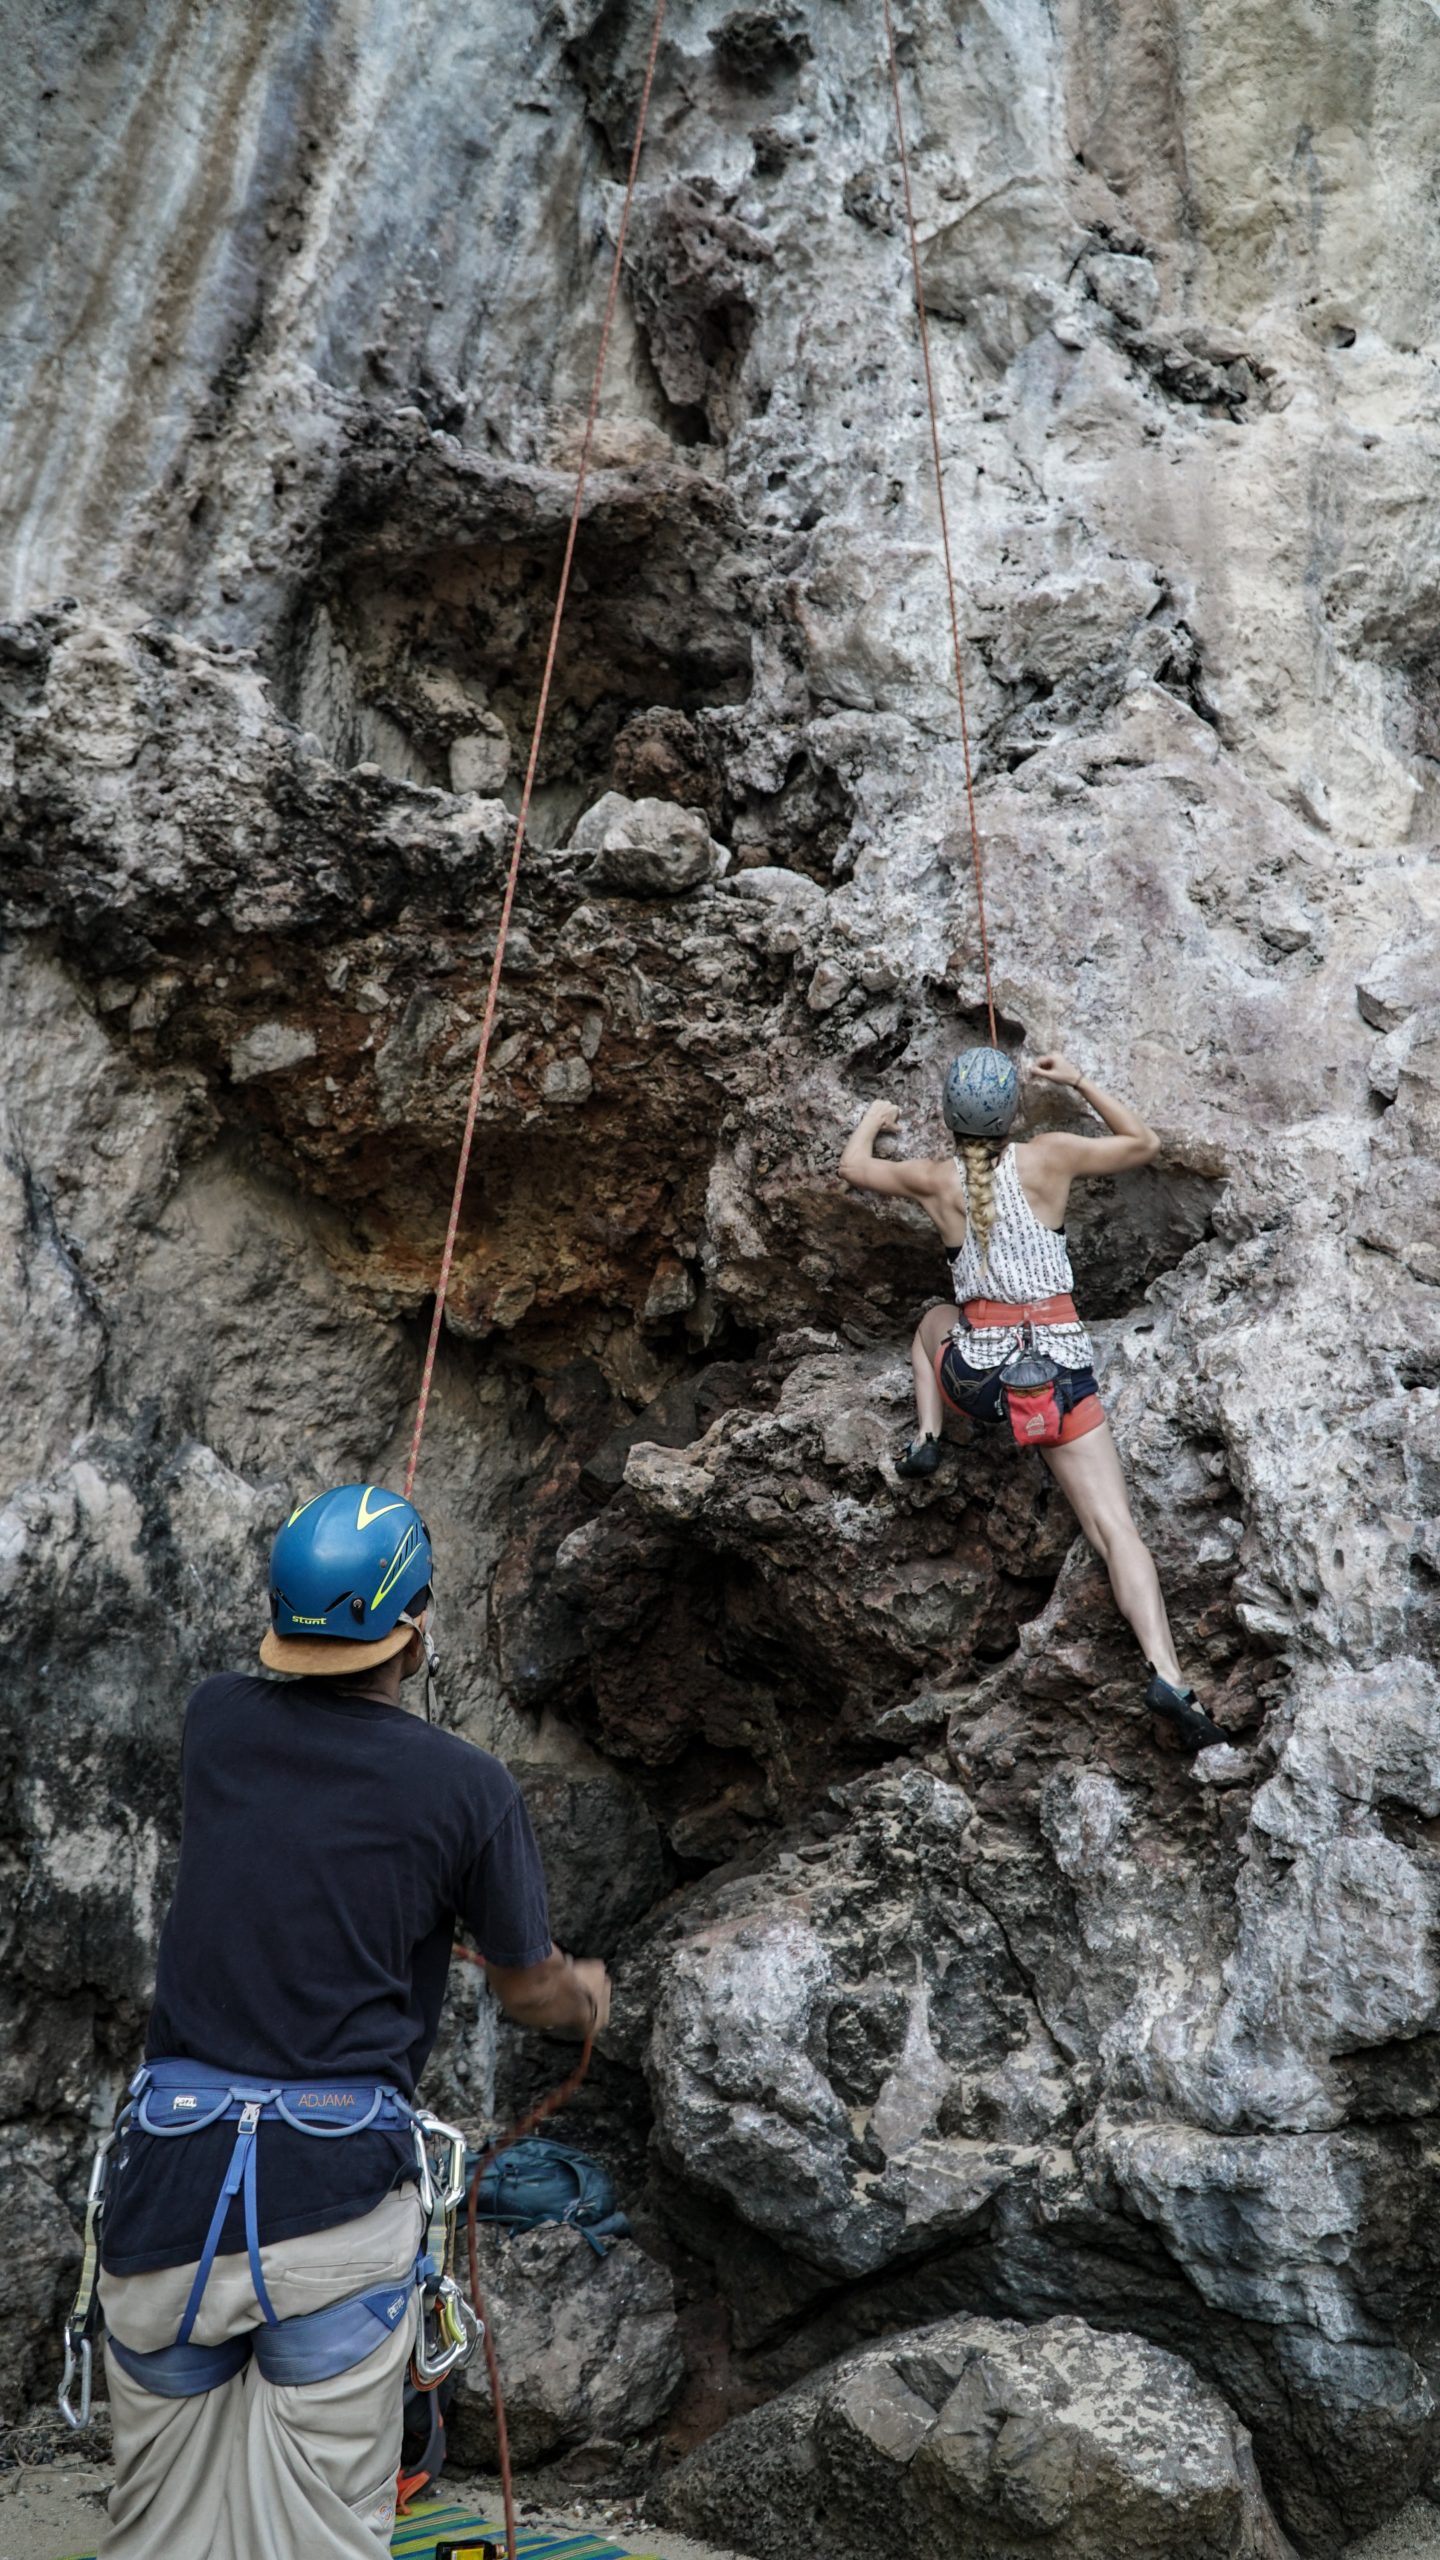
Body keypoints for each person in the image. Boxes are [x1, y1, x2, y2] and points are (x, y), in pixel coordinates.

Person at [90, 1483, 612, 2559]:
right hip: (330, 2204)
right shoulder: (468, 1788)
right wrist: (586, 1994)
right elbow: (527, 1988)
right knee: (321, 2533)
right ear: (414, 1630)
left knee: (161, 2534)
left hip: (167, 2199)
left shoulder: (215, 1721)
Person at [838, 1046, 1224, 1751]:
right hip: (1056, 1378)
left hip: (981, 1385)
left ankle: (926, 1437)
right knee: (1116, 1533)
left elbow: (854, 1168)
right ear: (1015, 1114)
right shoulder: (1049, 1156)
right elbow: (1144, 1142)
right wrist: (1077, 1081)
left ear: (950, 1120)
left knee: (930, 1324)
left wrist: (873, 1115)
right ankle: (1168, 1672)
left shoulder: (933, 1178)